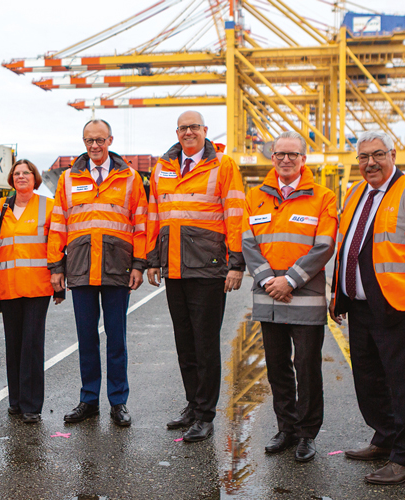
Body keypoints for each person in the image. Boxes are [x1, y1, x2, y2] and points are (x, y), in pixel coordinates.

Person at [329, 130, 405, 485]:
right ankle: (385, 438)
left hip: (396, 309)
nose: (370, 163)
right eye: (363, 157)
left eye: (377, 155)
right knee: (368, 381)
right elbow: (349, 245)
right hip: (360, 307)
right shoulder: (355, 193)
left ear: (393, 155)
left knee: (402, 384)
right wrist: (340, 296)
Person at [146, 110, 246, 442]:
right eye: (183, 128)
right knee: (185, 344)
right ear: (177, 132)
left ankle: (205, 414)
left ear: (205, 130)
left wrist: (236, 262)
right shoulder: (162, 167)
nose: (189, 132)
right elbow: (153, 215)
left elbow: (235, 212)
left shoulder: (223, 164)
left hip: (208, 266)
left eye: (194, 127)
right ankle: (192, 405)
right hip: (174, 267)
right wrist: (151, 260)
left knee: (205, 345)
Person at [242, 131, 337, 462]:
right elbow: (248, 242)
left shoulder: (322, 197)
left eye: (292, 155)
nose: (285, 159)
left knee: (307, 367)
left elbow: (324, 246)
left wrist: (290, 280)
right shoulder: (254, 197)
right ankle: (286, 427)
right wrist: (269, 279)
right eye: (280, 154)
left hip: (304, 298)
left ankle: (307, 434)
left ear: (303, 159)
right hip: (269, 297)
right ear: (272, 158)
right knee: (277, 368)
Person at [48, 119, 148, 427]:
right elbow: (58, 224)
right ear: (84, 142)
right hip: (80, 267)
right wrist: (56, 266)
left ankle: (118, 402)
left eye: (100, 140)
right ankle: (89, 399)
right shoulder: (68, 179)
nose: (94, 146)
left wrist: (139, 264)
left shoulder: (130, 178)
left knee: (116, 339)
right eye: (89, 140)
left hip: (117, 267)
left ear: (110, 140)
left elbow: (141, 222)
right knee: (86, 339)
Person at [0, 159, 64, 424]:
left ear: (35, 178)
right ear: (11, 178)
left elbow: (56, 245)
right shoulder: (0, 207)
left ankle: (31, 405)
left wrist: (58, 280)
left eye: (26, 173)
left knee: (31, 344)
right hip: (8, 286)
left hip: (38, 285)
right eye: (16, 173)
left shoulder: (48, 206)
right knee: (13, 345)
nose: (21, 177)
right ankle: (15, 401)